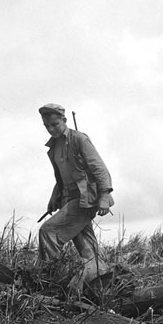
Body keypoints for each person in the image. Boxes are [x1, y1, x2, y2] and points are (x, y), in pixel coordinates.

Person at [37, 104, 114, 272]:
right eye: (47, 126)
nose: (50, 129)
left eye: (55, 124)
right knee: (86, 245)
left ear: (64, 121)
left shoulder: (79, 139)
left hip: (85, 199)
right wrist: (54, 196)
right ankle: (101, 279)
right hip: (69, 198)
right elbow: (64, 176)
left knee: (48, 232)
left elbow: (100, 169)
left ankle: (51, 278)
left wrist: (104, 196)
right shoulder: (54, 146)